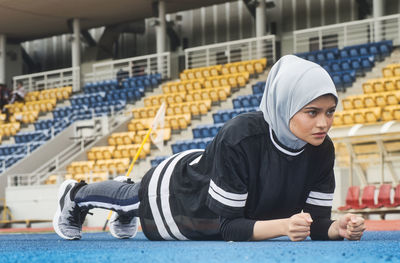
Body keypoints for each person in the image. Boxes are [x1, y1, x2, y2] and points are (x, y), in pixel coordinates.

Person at [53, 55, 366, 242]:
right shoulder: (240, 136)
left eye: (329, 112)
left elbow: (316, 222)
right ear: (284, 106)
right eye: (312, 112)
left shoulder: (322, 149)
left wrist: (336, 228)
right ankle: (75, 195)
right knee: (131, 198)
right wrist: (285, 225)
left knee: (129, 200)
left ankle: (121, 209)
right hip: (183, 197)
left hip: (217, 186)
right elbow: (227, 226)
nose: (324, 123)